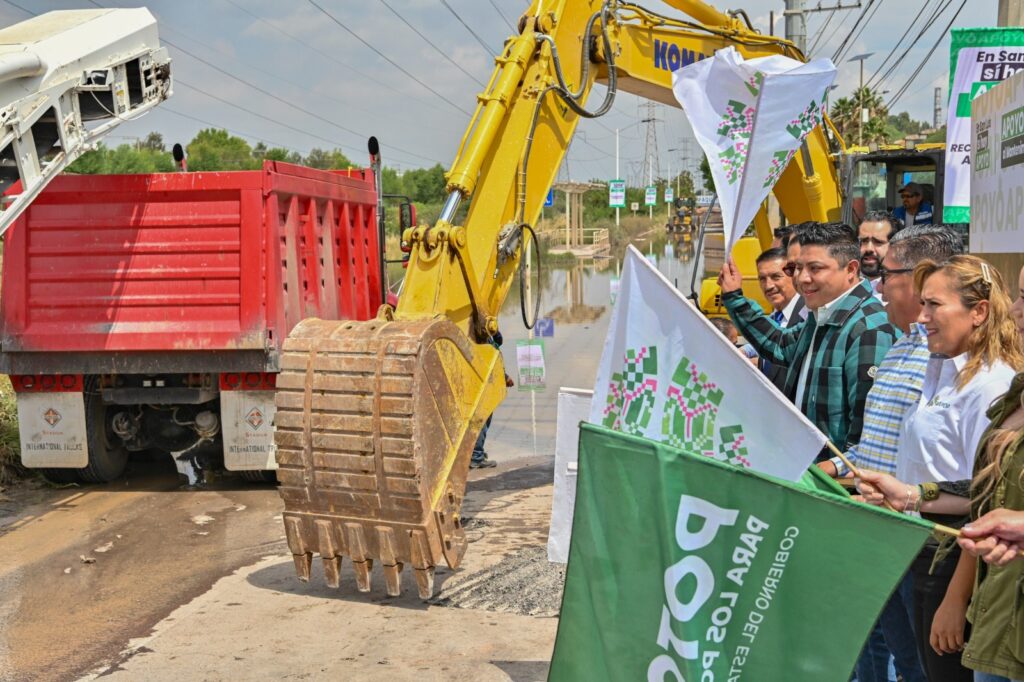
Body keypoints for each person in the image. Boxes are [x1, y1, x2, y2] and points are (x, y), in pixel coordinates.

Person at [856, 256, 1024, 682]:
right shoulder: (943, 370)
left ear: (979, 311)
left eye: (933, 305)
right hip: (923, 547)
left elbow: (986, 500)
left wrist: (955, 598)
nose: (922, 316)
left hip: (954, 561)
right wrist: (908, 494)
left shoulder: (990, 385)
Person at [820, 226, 963, 682]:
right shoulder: (903, 346)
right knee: (898, 659)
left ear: (921, 277)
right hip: (885, 535)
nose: (878, 286)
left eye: (887, 274)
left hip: (930, 544)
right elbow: (873, 444)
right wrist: (825, 469)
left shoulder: (950, 362)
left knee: (923, 668)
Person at [719, 221, 898, 453]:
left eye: (815, 268)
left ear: (851, 270)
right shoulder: (821, 315)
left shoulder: (869, 331)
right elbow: (780, 345)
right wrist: (734, 296)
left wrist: (830, 474)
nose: (802, 279)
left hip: (833, 484)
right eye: (797, 268)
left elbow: (867, 438)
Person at [746, 247, 804, 391]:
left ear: (793, 275)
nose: (768, 286)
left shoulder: (807, 317)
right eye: (762, 279)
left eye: (776, 277)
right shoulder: (775, 318)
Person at [471, 332, 514, 469]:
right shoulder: (482, 336)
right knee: (482, 419)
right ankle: (476, 457)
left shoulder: (479, 333)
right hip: (482, 384)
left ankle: (473, 454)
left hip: (476, 382)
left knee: (478, 419)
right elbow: (489, 361)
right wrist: (504, 376)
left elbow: (498, 341)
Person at [858, 211, 905, 290]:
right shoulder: (847, 286)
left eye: (878, 242)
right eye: (864, 241)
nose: (869, 249)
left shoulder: (902, 292)